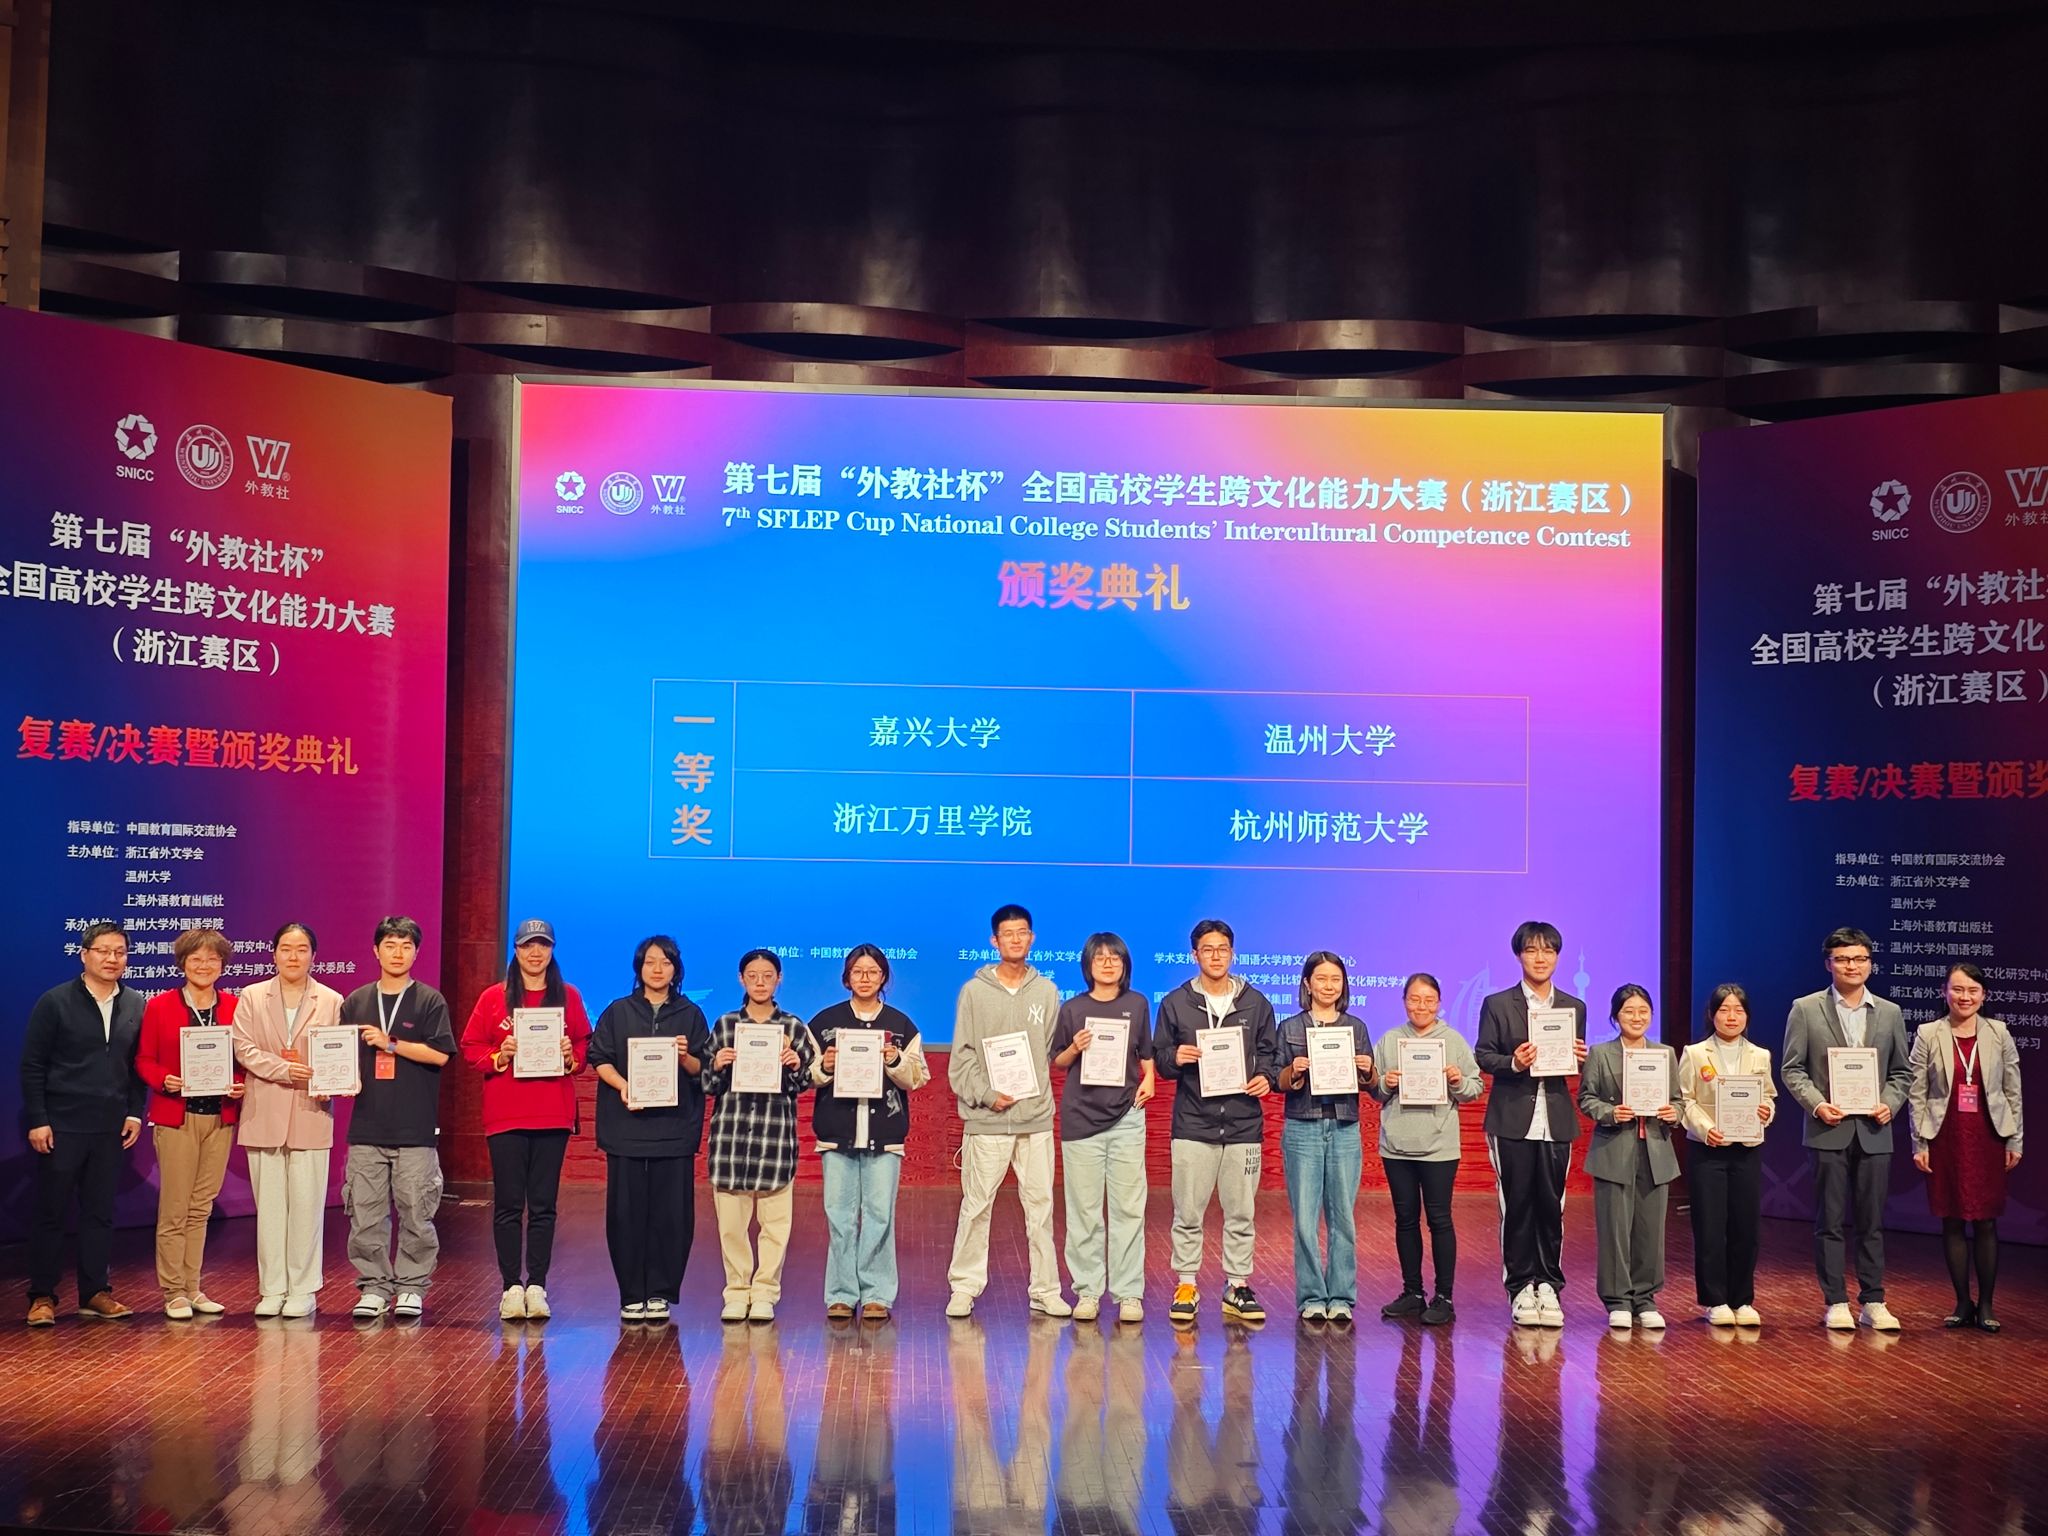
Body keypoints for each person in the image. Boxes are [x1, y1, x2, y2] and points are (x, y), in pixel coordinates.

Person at [459, 917, 591, 1322]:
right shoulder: (493, 998)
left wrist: (570, 1056)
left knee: (544, 1205)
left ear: (552, 950)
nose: (536, 953)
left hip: (552, 1114)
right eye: (528, 945)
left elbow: (583, 1049)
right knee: (509, 1204)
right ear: (515, 951)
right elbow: (471, 1046)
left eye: (543, 945)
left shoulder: (568, 996)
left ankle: (537, 1285)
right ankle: (510, 1287)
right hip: (506, 1115)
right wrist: (500, 1055)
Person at [1781, 926, 1911, 1331]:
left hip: (1874, 1130)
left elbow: (1902, 1072)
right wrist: (1818, 1104)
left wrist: (1889, 1103)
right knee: (1831, 1220)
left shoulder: (1889, 1012)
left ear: (1870, 963)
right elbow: (1792, 1069)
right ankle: (1836, 1300)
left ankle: (1874, 1300)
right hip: (1828, 1129)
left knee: (1872, 1222)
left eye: (1859, 959)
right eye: (1842, 959)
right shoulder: (1806, 1009)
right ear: (1829, 964)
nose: (1851, 966)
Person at [1153, 917, 1281, 1328]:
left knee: (1241, 1212)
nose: (1215, 956)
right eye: (1207, 949)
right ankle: (1186, 1284)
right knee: (1188, 1211)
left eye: (1222, 949)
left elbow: (1270, 1053)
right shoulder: (1176, 1002)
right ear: (1195, 955)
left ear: (1232, 953)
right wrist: (1176, 1057)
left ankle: (1237, 1285)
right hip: (1193, 1123)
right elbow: (1160, 1058)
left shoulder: (1255, 1002)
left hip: (1243, 1124)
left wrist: (1266, 1077)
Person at [944, 904, 1069, 1319]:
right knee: (976, 1205)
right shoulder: (973, 991)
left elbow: (1049, 1053)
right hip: (988, 1119)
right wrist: (986, 1094)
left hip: (1035, 1119)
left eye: (1022, 932)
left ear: (1031, 938)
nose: (1016, 939)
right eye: (1007, 934)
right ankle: (964, 1287)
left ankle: (1046, 1290)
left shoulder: (1047, 991)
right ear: (994, 941)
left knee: (1041, 1208)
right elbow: (961, 1057)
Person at [21, 921, 146, 1324]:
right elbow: (33, 1065)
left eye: (120, 952)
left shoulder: (135, 1003)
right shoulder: (55, 1001)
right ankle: (42, 1295)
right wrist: (39, 1119)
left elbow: (137, 1066)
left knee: (100, 1213)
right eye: (103, 951)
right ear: (84, 955)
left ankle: (95, 1292)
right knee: (52, 1212)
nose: (112, 959)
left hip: (110, 1128)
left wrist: (134, 1112)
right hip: (62, 1125)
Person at [337, 916, 456, 1322]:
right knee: (365, 1214)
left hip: (415, 1127)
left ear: (416, 952)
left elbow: (440, 1055)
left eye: (406, 946)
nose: (398, 953)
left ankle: (411, 1287)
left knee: (416, 1212)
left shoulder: (429, 1001)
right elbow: (340, 1056)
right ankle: (373, 1287)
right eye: (390, 945)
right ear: (376, 950)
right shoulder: (356, 1001)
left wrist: (391, 1043)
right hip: (367, 1126)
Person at [588, 934, 712, 1323]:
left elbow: (703, 1070)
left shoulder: (691, 1014)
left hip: (674, 1129)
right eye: (650, 962)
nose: (657, 970)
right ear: (639, 968)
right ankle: (631, 1293)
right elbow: (600, 1058)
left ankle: (660, 1292)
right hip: (626, 1128)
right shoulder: (618, 1011)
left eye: (666, 962)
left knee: (671, 1215)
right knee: (625, 1214)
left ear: (676, 969)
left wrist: (685, 1057)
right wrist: (623, 1085)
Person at [1474, 919, 1588, 1327]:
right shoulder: (1497, 1004)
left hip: (1555, 1118)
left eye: (1548, 951)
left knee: (1551, 1207)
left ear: (1557, 956)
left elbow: (1571, 1064)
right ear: (1519, 955)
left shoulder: (1574, 1007)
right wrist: (1514, 1062)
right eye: (1532, 950)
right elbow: (1484, 1055)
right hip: (1512, 1118)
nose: (1540, 958)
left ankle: (1549, 1286)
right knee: (1517, 1205)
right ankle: (1521, 1286)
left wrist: (1579, 1057)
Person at [232, 921, 347, 1318]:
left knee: (306, 1206)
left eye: (301, 949)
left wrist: (330, 1081)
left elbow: (338, 1054)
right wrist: (284, 1069)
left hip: (310, 1111)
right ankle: (272, 1288)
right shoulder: (251, 996)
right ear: (274, 954)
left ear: (314, 956)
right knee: (269, 1208)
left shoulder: (331, 1000)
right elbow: (243, 1048)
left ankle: (303, 1289)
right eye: (286, 948)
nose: (293, 956)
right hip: (263, 1110)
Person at [809, 943, 929, 1322]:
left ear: (883, 977)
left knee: (879, 1215)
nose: (865, 978)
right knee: (840, 1216)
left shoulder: (901, 1026)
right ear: (846, 977)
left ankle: (877, 1293)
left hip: (885, 1133)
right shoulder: (824, 1022)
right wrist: (825, 1065)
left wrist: (895, 1059)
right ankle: (841, 1294)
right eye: (858, 971)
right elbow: (806, 1074)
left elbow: (918, 1077)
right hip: (837, 1131)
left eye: (873, 971)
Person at [134, 927, 246, 1319]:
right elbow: (144, 1059)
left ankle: (193, 1287)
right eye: (196, 958)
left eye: (212, 959)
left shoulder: (234, 1007)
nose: (204, 965)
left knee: (201, 1207)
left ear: (222, 965)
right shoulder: (160, 1006)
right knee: (175, 1208)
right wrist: (164, 1079)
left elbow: (244, 1058)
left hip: (220, 1117)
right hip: (177, 1118)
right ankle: (173, 1291)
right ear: (182, 963)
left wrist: (239, 1083)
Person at [704, 948, 818, 1323]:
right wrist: (717, 1064)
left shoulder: (794, 1027)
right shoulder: (725, 1025)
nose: (760, 982)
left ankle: (765, 1292)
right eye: (752, 975)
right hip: (732, 1139)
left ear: (779, 979)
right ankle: (737, 1292)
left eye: (768, 976)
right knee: (732, 1227)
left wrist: (795, 1063)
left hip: (774, 1138)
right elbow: (707, 1083)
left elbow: (804, 1082)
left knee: (775, 1227)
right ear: (741, 979)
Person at [1909, 961, 2024, 1333]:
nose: (1965, 997)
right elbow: (1917, 1092)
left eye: (1973, 990)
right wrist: (1919, 1141)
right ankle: (1962, 1301)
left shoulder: (1998, 1033)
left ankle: (1987, 1304)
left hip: (1989, 1136)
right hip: (1945, 1137)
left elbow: (2012, 1091)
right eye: (1957, 989)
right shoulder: (1929, 1033)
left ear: (1983, 995)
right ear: (1944, 992)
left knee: (1987, 1221)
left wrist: (2015, 1139)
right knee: (1952, 1219)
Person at [1048, 931, 1155, 1324]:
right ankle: (1088, 1291)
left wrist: (1150, 1078)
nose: (1108, 964)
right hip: (1081, 1119)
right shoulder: (1073, 1007)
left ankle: (1129, 1294)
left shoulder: (1137, 1003)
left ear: (1125, 965)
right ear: (1088, 964)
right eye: (1100, 958)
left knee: (1128, 1209)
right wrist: (1075, 1047)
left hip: (1127, 1116)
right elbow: (1058, 1060)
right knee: (1084, 1212)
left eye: (1115, 958)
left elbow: (1146, 1053)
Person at [1370, 972, 1483, 1325]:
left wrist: (1457, 1081)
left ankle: (1444, 1297)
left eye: (1429, 1000)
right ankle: (1413, 1292)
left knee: (1439, 1219)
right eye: (1415, 999)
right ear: (1404, 1001)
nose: (1421, 1006)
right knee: (1405, 1220)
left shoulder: (1453, 1040)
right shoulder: (1390, 1040)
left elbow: (1475, 1088)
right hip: (1396, 1146)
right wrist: (1385, 1083)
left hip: (1439, 1148)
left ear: (1439, 1003)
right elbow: (1373, 1090)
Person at [1274, 951, 1374, 1323]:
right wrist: (1294, 1070)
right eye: (1321, 979)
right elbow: (1277, 1080)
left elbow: (1372, 1083)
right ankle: (1312, 1296)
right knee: (1305, 1218)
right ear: (1307, 984)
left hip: (1344, 1126)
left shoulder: (1356, 1027)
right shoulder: (1290, 1027)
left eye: (1336, 979)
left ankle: (1342, 1297)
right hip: (1303, 1126)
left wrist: (1368, 1069)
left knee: (1342, 1217)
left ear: (1344, 985)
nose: (1329, 986)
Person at [1578, 984, 1681, 1329]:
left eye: (1643, 1011)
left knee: (1650, 1230)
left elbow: (1678, 1100)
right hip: (1614, 1149)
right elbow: (1586, 1098)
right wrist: (1610, 1113)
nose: (1637, 1017)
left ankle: (1646, 1298)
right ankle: (1618, 1300)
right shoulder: (1601, 1053)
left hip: (1655, 1151)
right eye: (1628, 1011)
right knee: (1615, 1229)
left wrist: (1674, 1113)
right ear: (1615, 1016)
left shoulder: (1665, 1054)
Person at [1678, 982, 1778, 1326]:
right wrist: (1706, 1129)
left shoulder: (1760, 1055)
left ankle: (1742, 1300)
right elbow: (1685, 1099)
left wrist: (1766, 1111)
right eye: (1724, 1010)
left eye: (1738, 1010)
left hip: (1746, 1149)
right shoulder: (1695, 1053)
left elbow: (1769, 1096)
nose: (1731, 1016)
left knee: (1745, 1226)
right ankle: (1715, 1300)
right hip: (1708, 1149)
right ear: (1712, 1015)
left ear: (1747, 1016)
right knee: (1709, 1226)